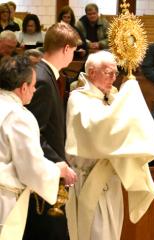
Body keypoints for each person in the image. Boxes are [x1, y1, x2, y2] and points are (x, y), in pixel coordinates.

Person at [65, 50, 154, 240]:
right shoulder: (79, 98)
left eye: (116, 74)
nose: (114, 79)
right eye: (109, 73)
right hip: (90, 179)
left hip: (111, 183)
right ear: (92, 72)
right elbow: (100, 132)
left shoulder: (112, 98)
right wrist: (129, 94)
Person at [0, 55, 76, 240]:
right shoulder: (19, 116)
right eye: (32, 85)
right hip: (5, 197)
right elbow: (30, 168)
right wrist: (58, 169)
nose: (34, 90)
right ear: (23, 87)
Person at [23, 22, 81, 240]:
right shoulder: (44, 80)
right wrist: (60, 165)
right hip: (45, 176)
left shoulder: (43, 74)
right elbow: (34, 132)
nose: (73, 55)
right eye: (73, 51)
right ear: (66, 48)